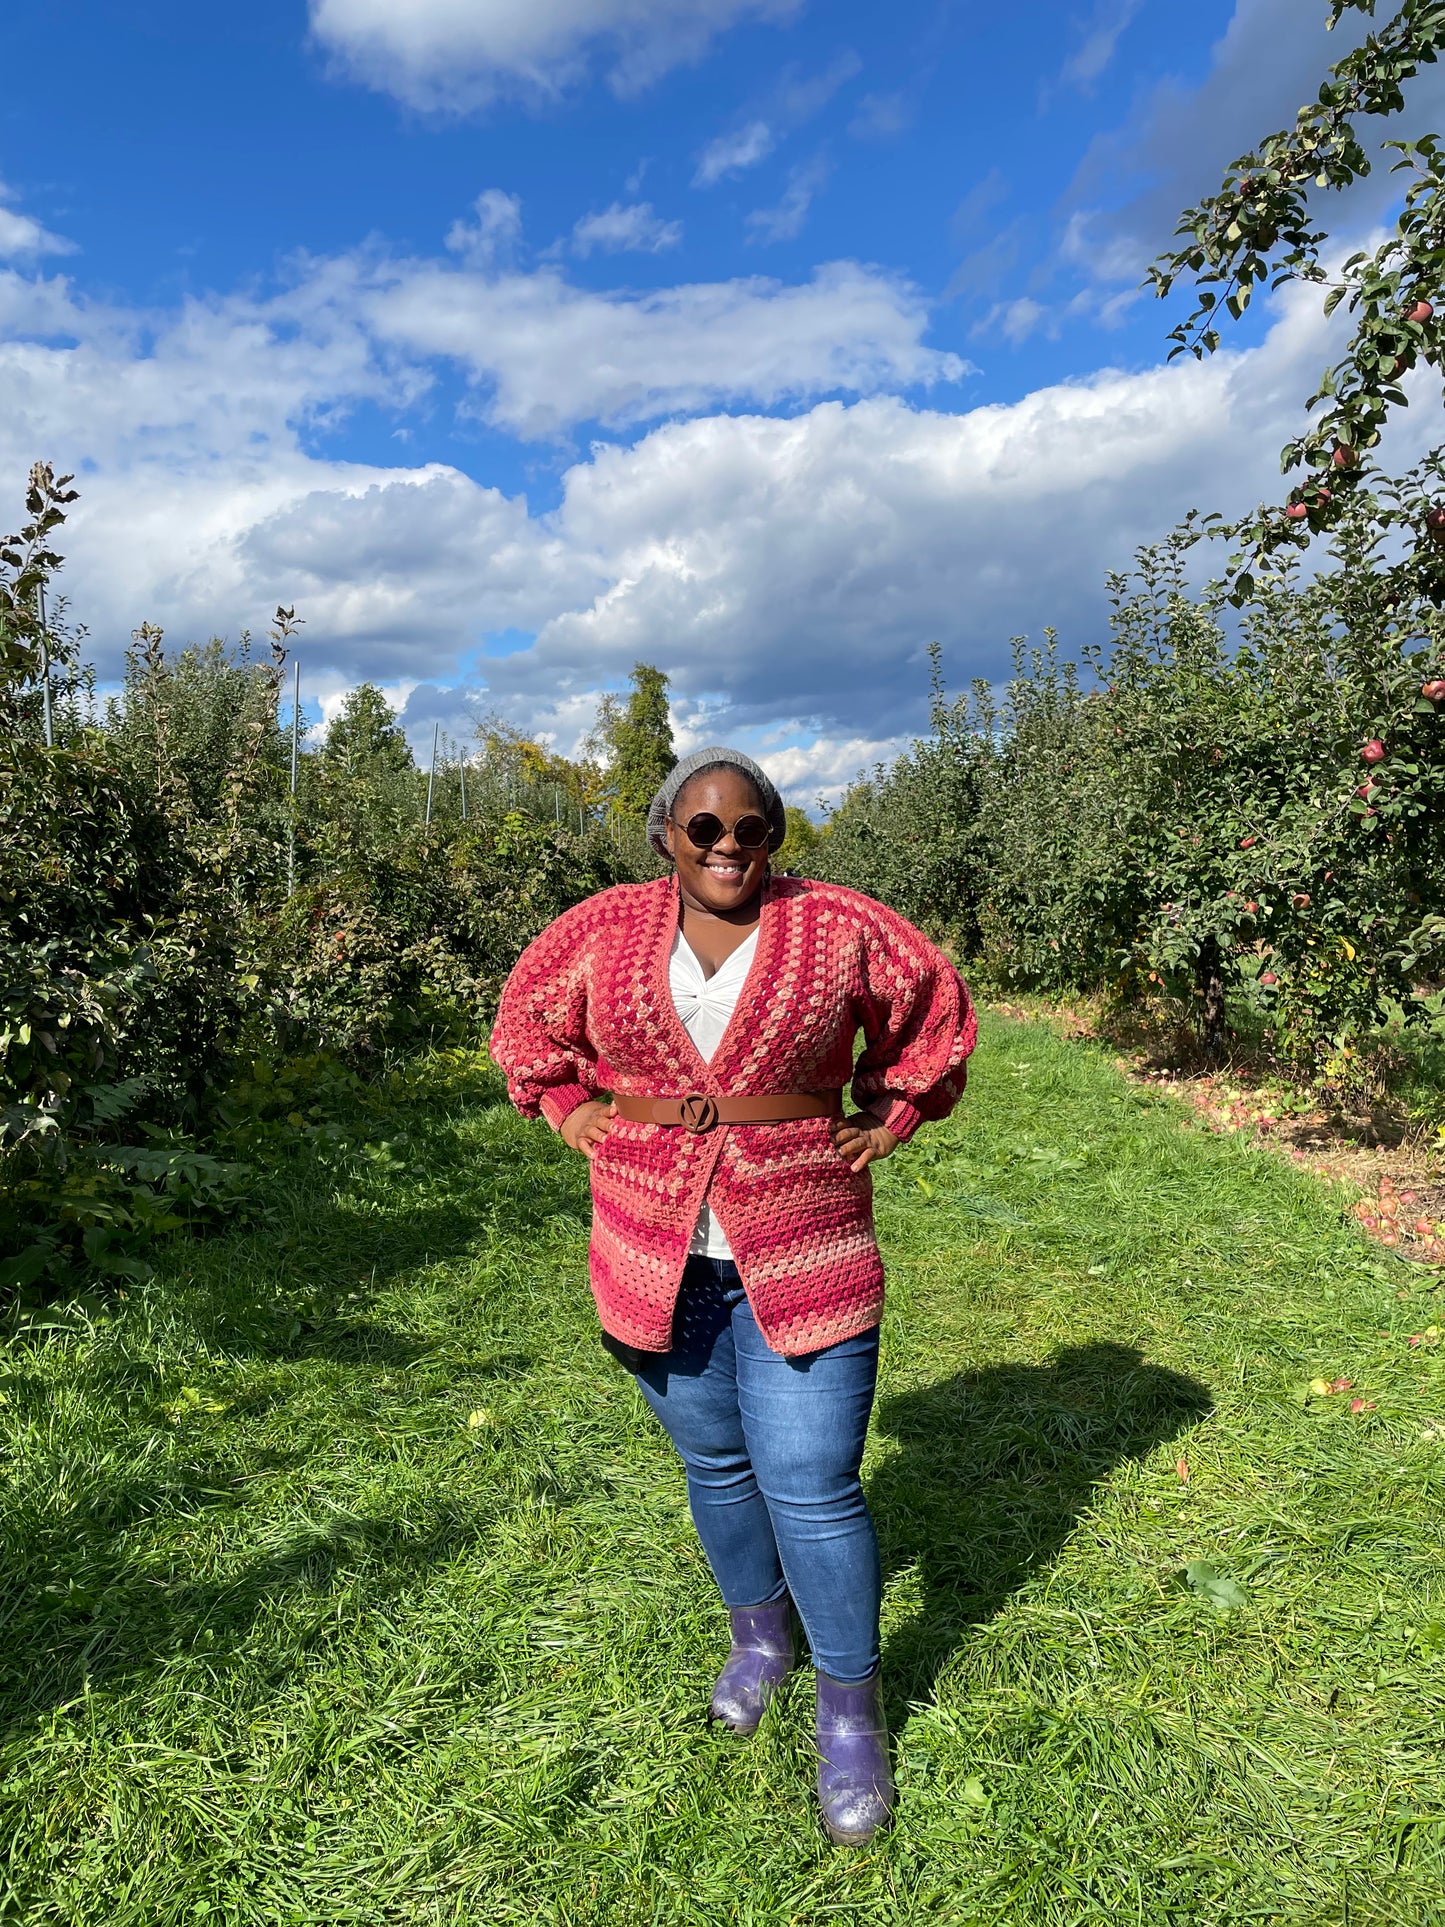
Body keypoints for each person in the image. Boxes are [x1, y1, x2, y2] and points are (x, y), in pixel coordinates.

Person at [489, 746, 976, 1845]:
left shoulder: (838, 923)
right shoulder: (603, 927)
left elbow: (933, 1010)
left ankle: (849, 1713)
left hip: (805, 1244)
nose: (727, 846)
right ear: (666, 833)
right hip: (652, 1249)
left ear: (773, 835)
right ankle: (760, 1639)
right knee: (713, 1462)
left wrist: (891, 1113)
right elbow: (525, 1024)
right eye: (703, 827)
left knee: (812, 1483)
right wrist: (566, 1106)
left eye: (750, 828)